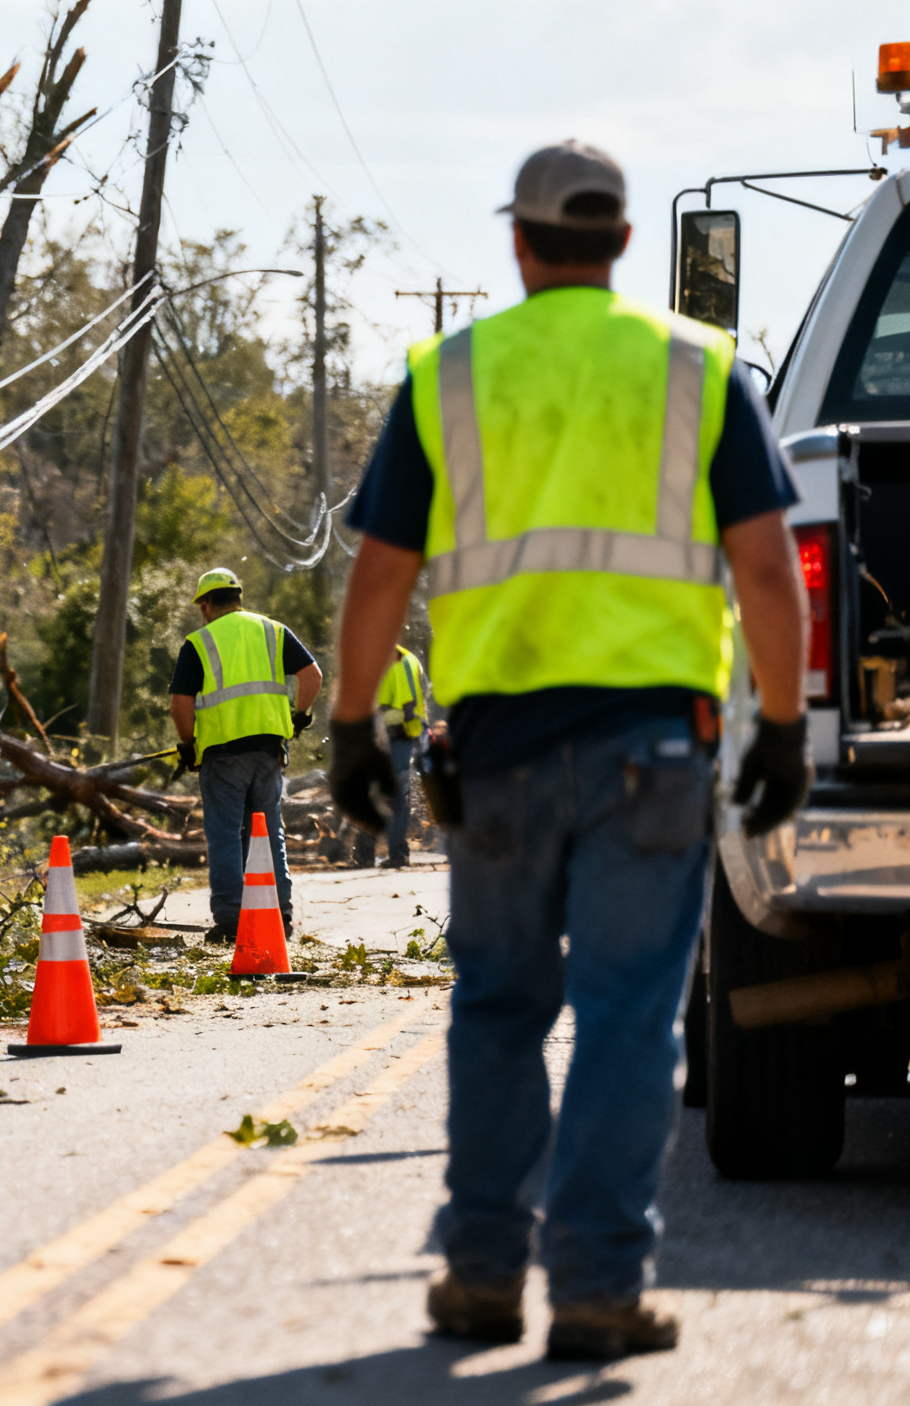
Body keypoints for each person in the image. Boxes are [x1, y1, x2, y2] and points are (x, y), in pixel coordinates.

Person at [327, 140, 810, 1363]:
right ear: (625, 244)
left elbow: (382, 572)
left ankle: (483, 1272)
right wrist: (788, 725)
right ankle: (596, 1288)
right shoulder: (698, 371)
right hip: (655, 745)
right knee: (628, 1018)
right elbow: (764, 565)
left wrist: (348, 728)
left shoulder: (450, 373)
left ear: (523, 242)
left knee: (495, 1007)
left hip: (493, 751)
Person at [168, 568, 323, 944]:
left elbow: (180, 703)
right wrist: (298, 717)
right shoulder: (272, 630)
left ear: (206, 603)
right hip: (269, 750)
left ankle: (232, 921)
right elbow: (313, 676)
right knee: (269, 832)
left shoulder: (198, 643)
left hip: (222, 755)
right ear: (237, 597)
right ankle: (280, 915)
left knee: (224, 835)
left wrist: (187, 744)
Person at [372, 644, 432, 868]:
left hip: (397, 733)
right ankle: (395, 851)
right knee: (396, 793)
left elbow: (403, 701)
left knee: (396, 794)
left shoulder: (393, 659)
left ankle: (397, 853)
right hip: (402, 732)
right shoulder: (404, 658)